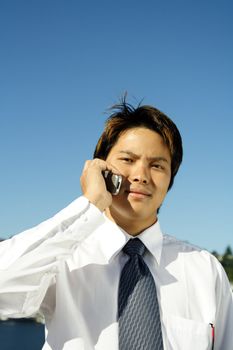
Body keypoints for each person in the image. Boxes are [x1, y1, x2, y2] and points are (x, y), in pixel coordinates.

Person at [0, 99, 232, 350]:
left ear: (170, 179)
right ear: (100, 168)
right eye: (127, 159)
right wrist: (90, 205)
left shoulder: (204, 270)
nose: (141, 175)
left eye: (156, 165)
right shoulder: (63, 259)